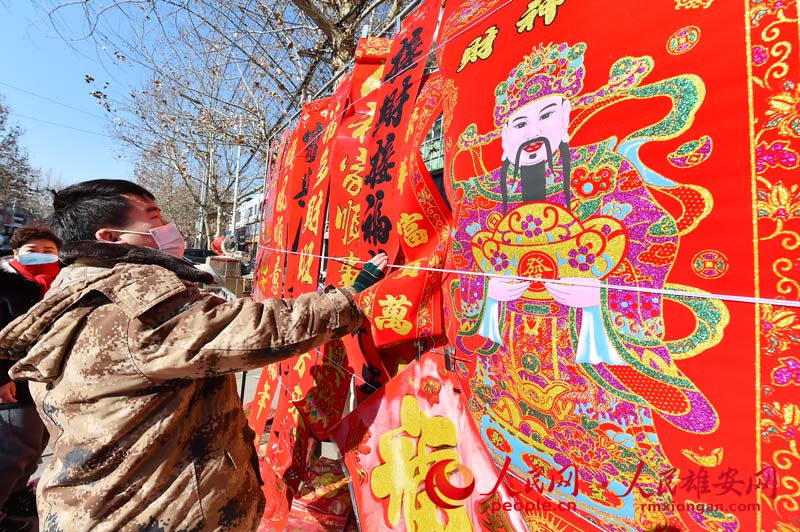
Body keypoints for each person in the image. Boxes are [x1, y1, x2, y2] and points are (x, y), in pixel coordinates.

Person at [0, 179, 386, 531]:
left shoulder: (79, 285)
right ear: (111, 236)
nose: (167, 226)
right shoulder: (133, 305)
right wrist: (350, 297)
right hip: (151, 513)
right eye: (153, 217)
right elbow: (253, 332)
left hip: (105, 502)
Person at [450, 42, 719, 530]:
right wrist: (490, 296)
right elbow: (464, 262)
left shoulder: (604, 171)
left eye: (546, 116)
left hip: (586, 371)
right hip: (506, 367)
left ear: (566, 119)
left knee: (616, 480)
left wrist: (599, 299)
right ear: (504, 138)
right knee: (499, 458)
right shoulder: (483, 194)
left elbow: (652, 236)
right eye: (519, 124)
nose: (532, 134)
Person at [0, 224, 61, 531]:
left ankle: (13, 503)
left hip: (49, 382)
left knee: (34, 450)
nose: (40, 256)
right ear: (16, 253)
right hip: (13, 383)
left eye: (48, 251)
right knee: (12, 452)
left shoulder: (61, 282)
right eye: (31, 251)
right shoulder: (6, 284)